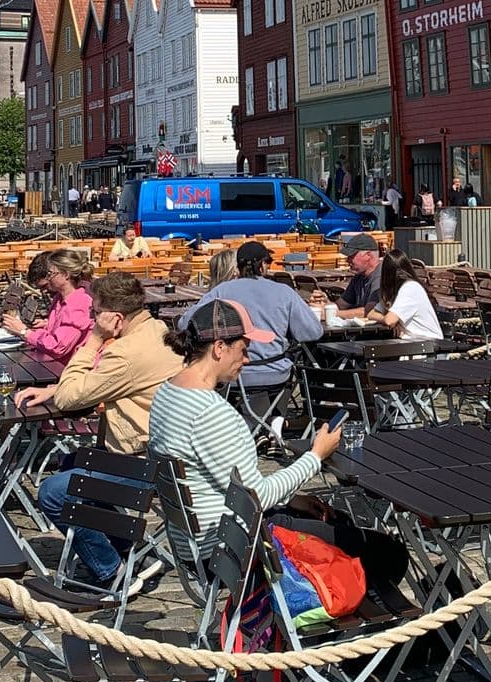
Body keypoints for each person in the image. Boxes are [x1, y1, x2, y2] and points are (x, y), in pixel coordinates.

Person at [27, 273, 178, 589]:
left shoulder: (123, 352)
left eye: (95, 313)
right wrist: (56, 387)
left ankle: (111, 573)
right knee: (73, 465)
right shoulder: (156, 329)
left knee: (54, 492)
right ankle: (131, 548)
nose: (92, 318)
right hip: (160, 451)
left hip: (145, 460)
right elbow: (100, 383)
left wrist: (95, 338)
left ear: (116, 318)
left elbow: (72, 397)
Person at [149, 298, 341, 545]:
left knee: (338, 525)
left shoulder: (168, 392)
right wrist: (316, 456)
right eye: (244, 349)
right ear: (220, 347)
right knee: (380, 551)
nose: (248, 359)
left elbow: (230, 480)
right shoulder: (210, 412)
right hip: (234, 546)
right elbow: (256, 496)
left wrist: (291, 499)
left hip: (198, 539)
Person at [195, 239, 325, 438]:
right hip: (275, 373)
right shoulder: (283, 292)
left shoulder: (222, 291)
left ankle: (258, 426)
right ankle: (274, 423)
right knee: (293, 366)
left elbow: (186, 322)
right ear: (263, 265)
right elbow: (313, 332)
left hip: (232, 374)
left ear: (238, 266)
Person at [2, 246, 94, 365]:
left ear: (65, 274)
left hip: (67, 371)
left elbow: (58, 347)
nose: (48, 277)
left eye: (51, 273)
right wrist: (46, 326)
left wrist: (24, 332)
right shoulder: (60, 299)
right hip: (55, 365)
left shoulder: (79, 302)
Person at [368, 254, 444, 343]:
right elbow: (371, 314)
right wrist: (388, 319)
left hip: (428, 343)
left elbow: (389, 321)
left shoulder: (410, 288)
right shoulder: (396, 290)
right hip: (412, 341)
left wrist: (390, 320)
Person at [336, 233, 383, 315]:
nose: (348, 260)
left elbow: (369, 311)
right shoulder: (358, 277)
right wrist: (324, 305)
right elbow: (341, 305)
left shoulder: (382, 275)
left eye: (351, 256)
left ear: (368, 255)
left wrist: (331, 314)